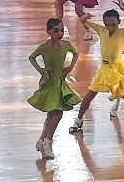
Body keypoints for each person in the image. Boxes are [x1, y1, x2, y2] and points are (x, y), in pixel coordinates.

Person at [69, 1, 124, 137]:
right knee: (88, 96)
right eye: (107, 24)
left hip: (118, 70)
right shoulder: (101, 30)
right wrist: (86, 16)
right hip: (104, 70)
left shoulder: (123, 32)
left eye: (113, 24)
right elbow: (82, 20)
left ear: (118, 22)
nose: (110, 27)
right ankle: (78, 120)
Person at [27, 18, 80, 160]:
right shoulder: (44, 47)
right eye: (56, 31)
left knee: (53, 114)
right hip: (49, 83)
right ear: (48, 32)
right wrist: (41, 71)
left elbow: (75, 54)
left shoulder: (66, 45)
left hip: (59, 82)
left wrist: (70, 67)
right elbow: (32, 57)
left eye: (61, 30)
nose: (60, 33)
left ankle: (42, 141)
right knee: (56, 113)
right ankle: (48, 142)